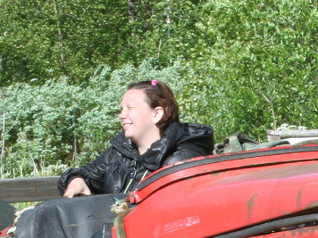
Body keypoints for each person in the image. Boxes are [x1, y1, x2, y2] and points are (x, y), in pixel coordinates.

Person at [58, 80, 214, 197]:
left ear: (156, 114)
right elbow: (86, 173)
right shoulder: (121, 151)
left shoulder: (182, 160)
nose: (121, 115)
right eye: (121, 109)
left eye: (129, 108)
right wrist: (76, 180)